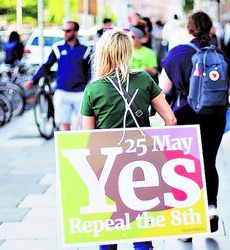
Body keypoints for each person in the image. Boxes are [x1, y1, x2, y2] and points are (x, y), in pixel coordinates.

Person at [81, 29, 177, 250]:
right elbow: (170, 120)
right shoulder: (144, 79)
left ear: (102, 53)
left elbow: (87, 137)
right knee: (140, 221)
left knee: (110, 222)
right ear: (128, 51)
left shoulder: (93, 89)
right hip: (142, 160)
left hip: (107, 165)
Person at [159, 11, 230, 238]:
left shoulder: (177, 54)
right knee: (209, 161)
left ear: (188, 29)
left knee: (183, 166)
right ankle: (211, 208)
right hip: (215, 116)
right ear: (210, 29)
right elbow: (227, 91)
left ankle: (187, 226)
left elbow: (164, 90)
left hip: (185, 116)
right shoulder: (219, 54)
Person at [25, 21, 91, 131]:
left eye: (68, 31)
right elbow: (46, 66)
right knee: (64, 126)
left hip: (80, 93)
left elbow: (90, 72)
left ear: (75, 32)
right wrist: (33, 80)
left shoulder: (85, 49)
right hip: (62, 92)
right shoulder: (57, 48)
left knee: (81, 127)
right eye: (64, 30)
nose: (65, 33)